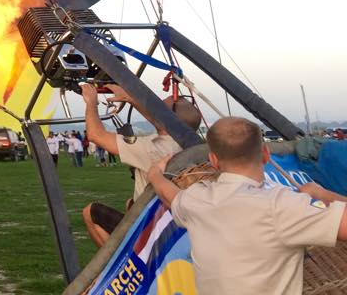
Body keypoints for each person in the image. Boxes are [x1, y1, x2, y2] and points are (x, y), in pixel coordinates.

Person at [147, 117, 347, 295]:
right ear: (266, 154)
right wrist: (320, 193)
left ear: (213, 160)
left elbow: (168, 194)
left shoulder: (196, 199)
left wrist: (154, 173)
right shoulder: (280, 206)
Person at [80, 82, 202, 247]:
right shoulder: (196, 146)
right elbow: (164, 122)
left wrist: (91, 103)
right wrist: (130, 98)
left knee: (90, 211)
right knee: (130, 203)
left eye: (159, 107)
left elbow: (96, 135)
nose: (154, 109)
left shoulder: (153, 148)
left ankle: (119, 266)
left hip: (148, 229)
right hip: (173, 224)